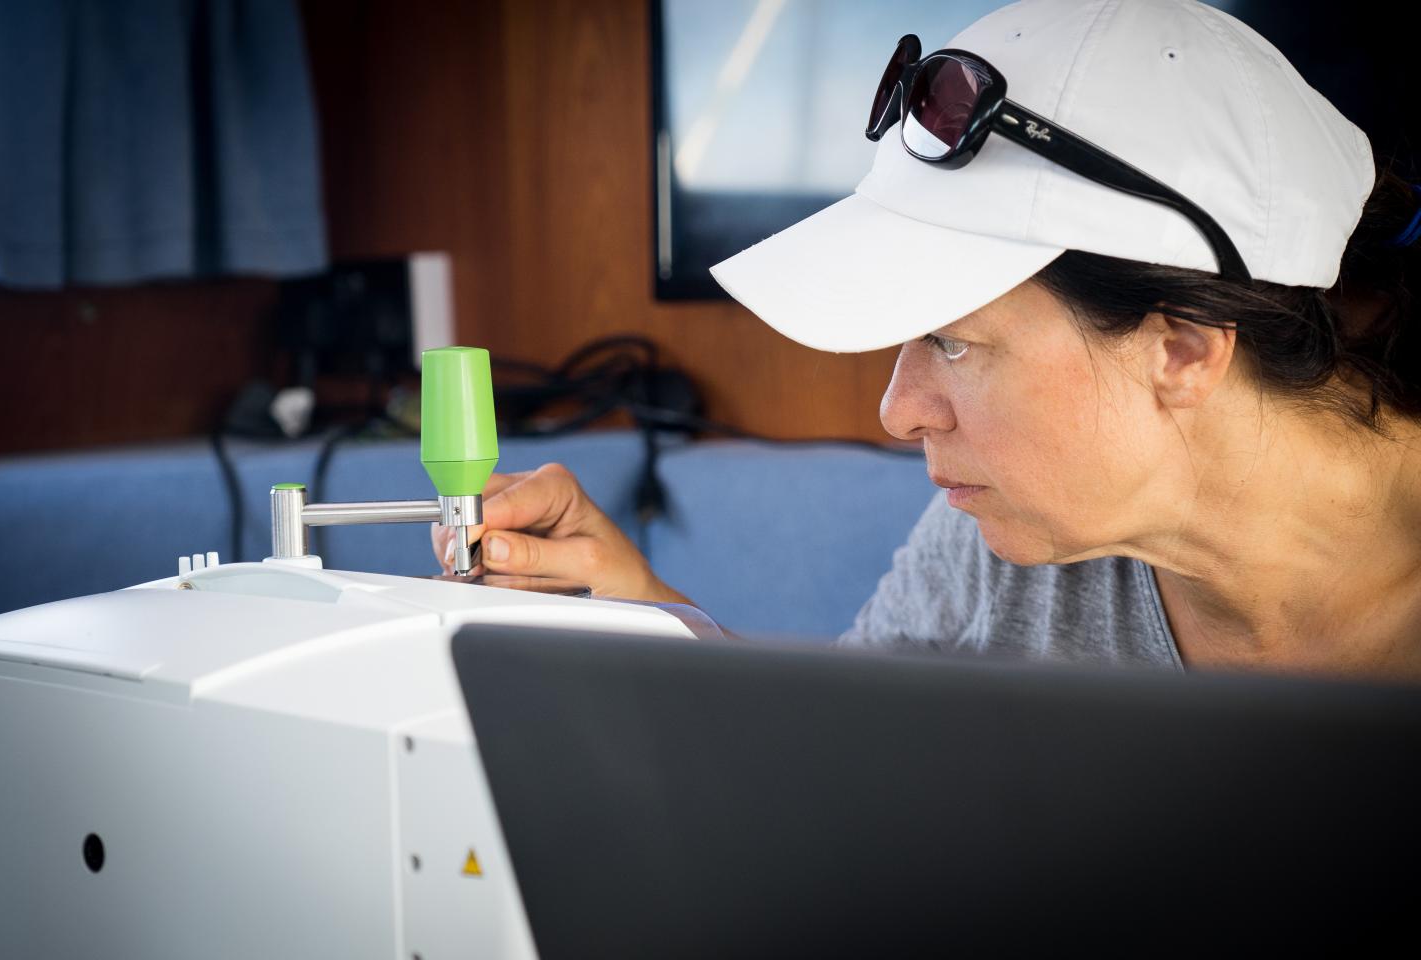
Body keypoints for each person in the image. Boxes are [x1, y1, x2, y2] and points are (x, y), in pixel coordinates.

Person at [434, 0, 1421, 681]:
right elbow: (837, 770)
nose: (896, 412)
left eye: (953, 341)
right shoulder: (1001, 532)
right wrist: (643, 612)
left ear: (1186, 350)